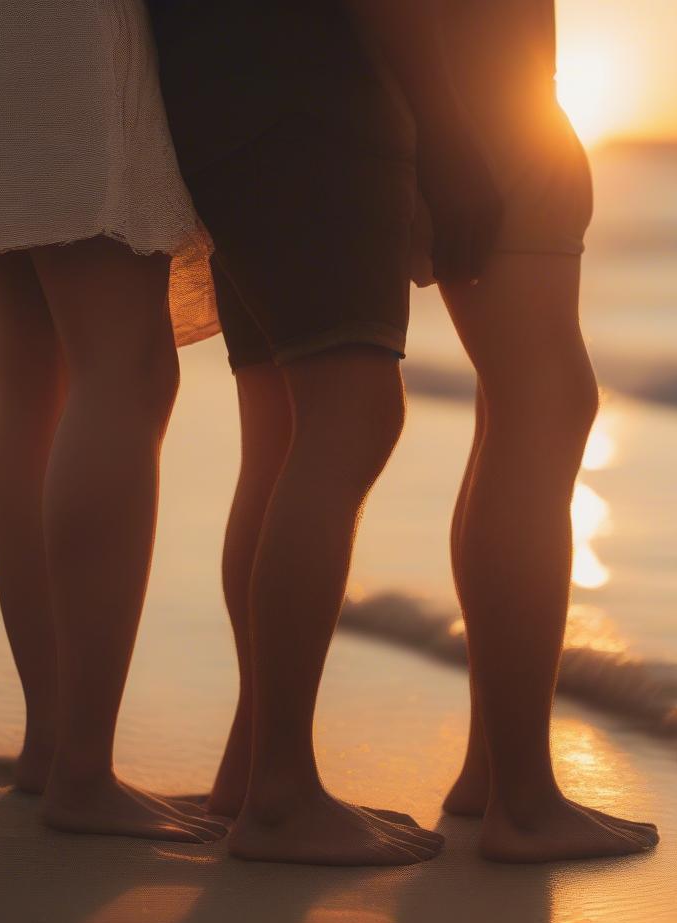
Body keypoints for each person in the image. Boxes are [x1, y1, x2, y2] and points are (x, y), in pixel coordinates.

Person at [150, 0, 501, 866]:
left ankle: (254, 768)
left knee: (281, 433)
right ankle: (280, 794)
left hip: (217, 92)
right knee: (354, 415)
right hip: (312, 96)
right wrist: (448, 133)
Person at [0, 1, 226, 843]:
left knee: (22, 376)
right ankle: (83, 768)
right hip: (63, 36)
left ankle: (53, 739)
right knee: (121, 367)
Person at [417, 0, 661, 861]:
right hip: (489, 104)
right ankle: (521, 799)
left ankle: (493, 769)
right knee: (544, 407)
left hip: (482, 99)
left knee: (515, 410)